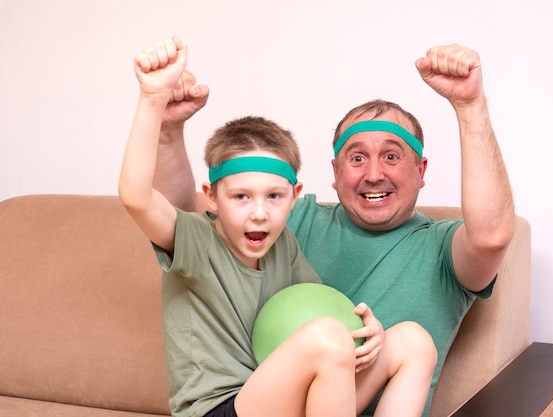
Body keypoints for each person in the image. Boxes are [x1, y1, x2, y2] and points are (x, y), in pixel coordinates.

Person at [153, 41, 515, 416]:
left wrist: (470, 107)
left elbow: (491, 238)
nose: (374, 174)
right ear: (336, 173)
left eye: (391, 156)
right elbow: (182, 221)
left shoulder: (442, 248)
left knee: (413, 340)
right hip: (271, 404)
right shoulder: (286, 219)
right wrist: (167, 131)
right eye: (357, 158)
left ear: (420, 171)